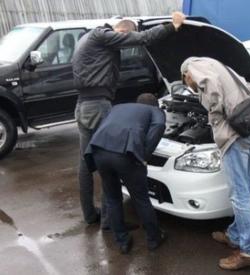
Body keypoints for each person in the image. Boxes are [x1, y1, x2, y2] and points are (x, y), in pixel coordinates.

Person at [72, 12, 186, 227]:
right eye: (126, 39)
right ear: (123, 32)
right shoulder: (102, 36)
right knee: (111, 161)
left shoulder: (86, 38)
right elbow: (143, 38)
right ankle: (110, 222)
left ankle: (90, 215)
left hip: (83, 105)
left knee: (86, 164)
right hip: (97, 106)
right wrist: (173, 25)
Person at [180, 57, 250, 270]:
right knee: (246, 188)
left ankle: (249, 251)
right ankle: (234, 234)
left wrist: (215, 116)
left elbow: (212, 91)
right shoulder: (225, 67)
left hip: (235, 136)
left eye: (187, 81)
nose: (190, 85)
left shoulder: (195, 66)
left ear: (186, 74)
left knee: (239, 194)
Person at [84, 93, 167, 254]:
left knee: (113, 198)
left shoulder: (118, 107)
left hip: (98, 150)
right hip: (124, 154)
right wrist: (143, 156)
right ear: (155, 105)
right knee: (141, 198)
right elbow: (158, 127)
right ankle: (154, 238)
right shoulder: (154, 111)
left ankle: (122, 240)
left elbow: (106, 126)